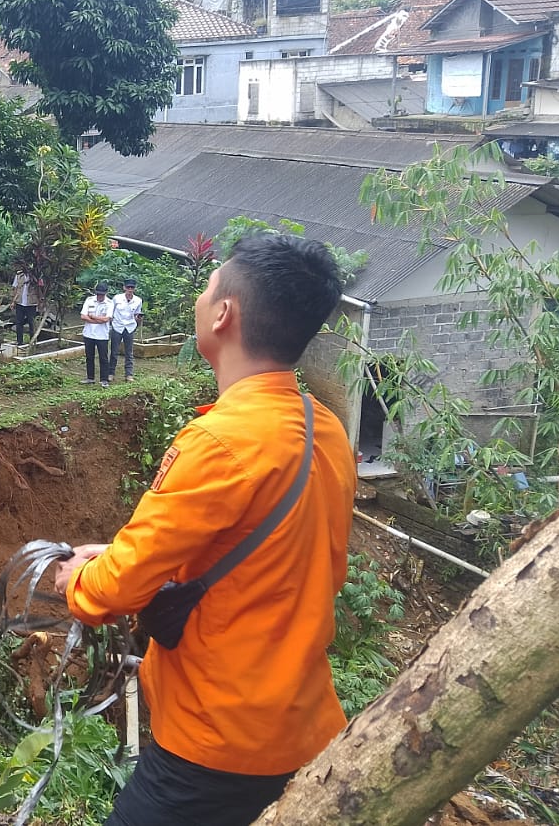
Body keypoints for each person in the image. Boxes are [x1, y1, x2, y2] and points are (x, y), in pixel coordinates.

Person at [53, 235, 354, 826]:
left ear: (224, 313)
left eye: (207, 285)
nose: (200, 296)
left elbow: (108, 593)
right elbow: (272, 559)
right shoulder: (325, 430)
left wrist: (76, 582)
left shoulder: (219, 442)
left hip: (215, 745)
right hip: (304, 728)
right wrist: (118, 550)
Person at [80, 282, 115, 386]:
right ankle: (90, 378)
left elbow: (106, 319)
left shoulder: (109, 303)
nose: (100, 296)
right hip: (88, 333)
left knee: (103, 357)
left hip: (102, 335)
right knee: (89, 357)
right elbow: (83, 316)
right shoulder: (89, 300)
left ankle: (104, 379)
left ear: (106, 293)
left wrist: (93, 317)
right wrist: (98, 320)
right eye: (98, 294)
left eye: (102, 294)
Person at [111, 278, 145, 381]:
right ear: (124, 288)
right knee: (114, 351)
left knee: (129, 352)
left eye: (132, 287)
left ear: (134, 289)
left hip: (129, 327)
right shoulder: (117, 298)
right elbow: (111, 312)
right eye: (128, 287)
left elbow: (136, 315)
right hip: (117, 326)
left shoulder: (138, 300)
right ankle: (111, 373)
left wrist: (138, 319)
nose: (130, 289)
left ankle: (129, 374)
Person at [11, 265, 40, 347]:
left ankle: (33, 341)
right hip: (20, 302)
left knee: (32, 323)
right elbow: (15, 288)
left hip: (31, 303)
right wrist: (13, 301)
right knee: (19, 322)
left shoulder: (36, 275)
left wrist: (40, 302)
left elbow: (40, 288)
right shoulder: (19, 275)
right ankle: (19, 341)